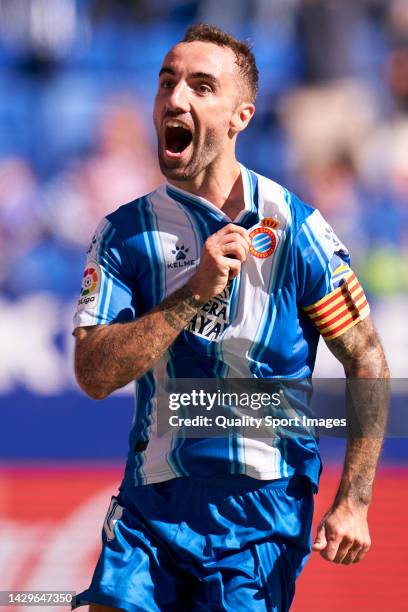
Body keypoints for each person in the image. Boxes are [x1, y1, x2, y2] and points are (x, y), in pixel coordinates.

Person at [72, 24, 389, 612]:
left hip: (260, 509)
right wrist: (191, 295)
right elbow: (92, 373)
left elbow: (367, 356)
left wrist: (356, 500)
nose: (176, 98)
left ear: (240, 116)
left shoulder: (297, 232)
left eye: (200, 86)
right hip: (153, 501)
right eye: (167, 83)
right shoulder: (123, 234)